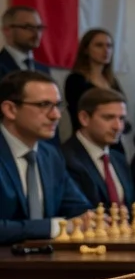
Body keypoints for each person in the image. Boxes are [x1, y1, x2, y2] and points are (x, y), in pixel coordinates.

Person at [0, 71, 90, 243]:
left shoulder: (51, 155)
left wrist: (91, 218)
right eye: (44, 105)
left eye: (57, 105)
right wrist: (52, 227)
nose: (56, 115)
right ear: (10, 109)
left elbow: (80, 209)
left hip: (45, 263)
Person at [61, 88, 135, 208]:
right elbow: (79, 211)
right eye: (108, 118)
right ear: (84, 118)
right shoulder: (64, 158)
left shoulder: (119, 159)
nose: (118, 127)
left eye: (121, 119)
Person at [64, 28, 124, 131]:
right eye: (99, 45)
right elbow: (77, 114)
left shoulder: (111, 81)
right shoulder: (76, 80)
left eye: (109, 46)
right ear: (86, 50)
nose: (106, 50)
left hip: (114, 135)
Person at [0, 6, 49, 77]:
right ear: (7, 30)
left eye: (39, 28)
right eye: (28, 27)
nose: (36, 33)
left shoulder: (44, 70)